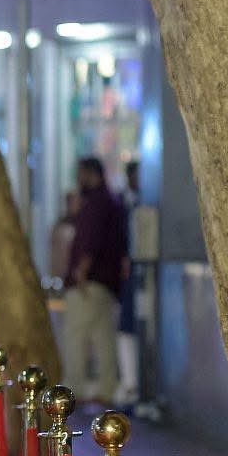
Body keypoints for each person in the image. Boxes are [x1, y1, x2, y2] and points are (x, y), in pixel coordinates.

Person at [61, 157, 130, 407]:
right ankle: (107, 389)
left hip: (88, 282)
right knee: (104, 337)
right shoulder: (112, 202)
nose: (78, 179)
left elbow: (90, 239)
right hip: (107, 283)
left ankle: (74, 389)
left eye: (80, 174)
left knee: (75, 335)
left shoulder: (95, 203)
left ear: (91, 174)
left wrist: (81, 271)